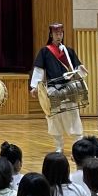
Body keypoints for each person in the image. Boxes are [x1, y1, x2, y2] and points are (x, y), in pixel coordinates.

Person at [30, 23, 85, 153]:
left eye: (61, 33)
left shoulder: (68, 51)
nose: (59, 36)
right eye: (56, 34)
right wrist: (35, 86)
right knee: (54, 118)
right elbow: (39, 70)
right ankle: (59, 146)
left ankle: (79, 145)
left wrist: (81, 69)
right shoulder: (45, 51)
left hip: (69, 88)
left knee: (73, 115)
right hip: (53, 89)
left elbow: (76, 67)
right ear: (51, 35)